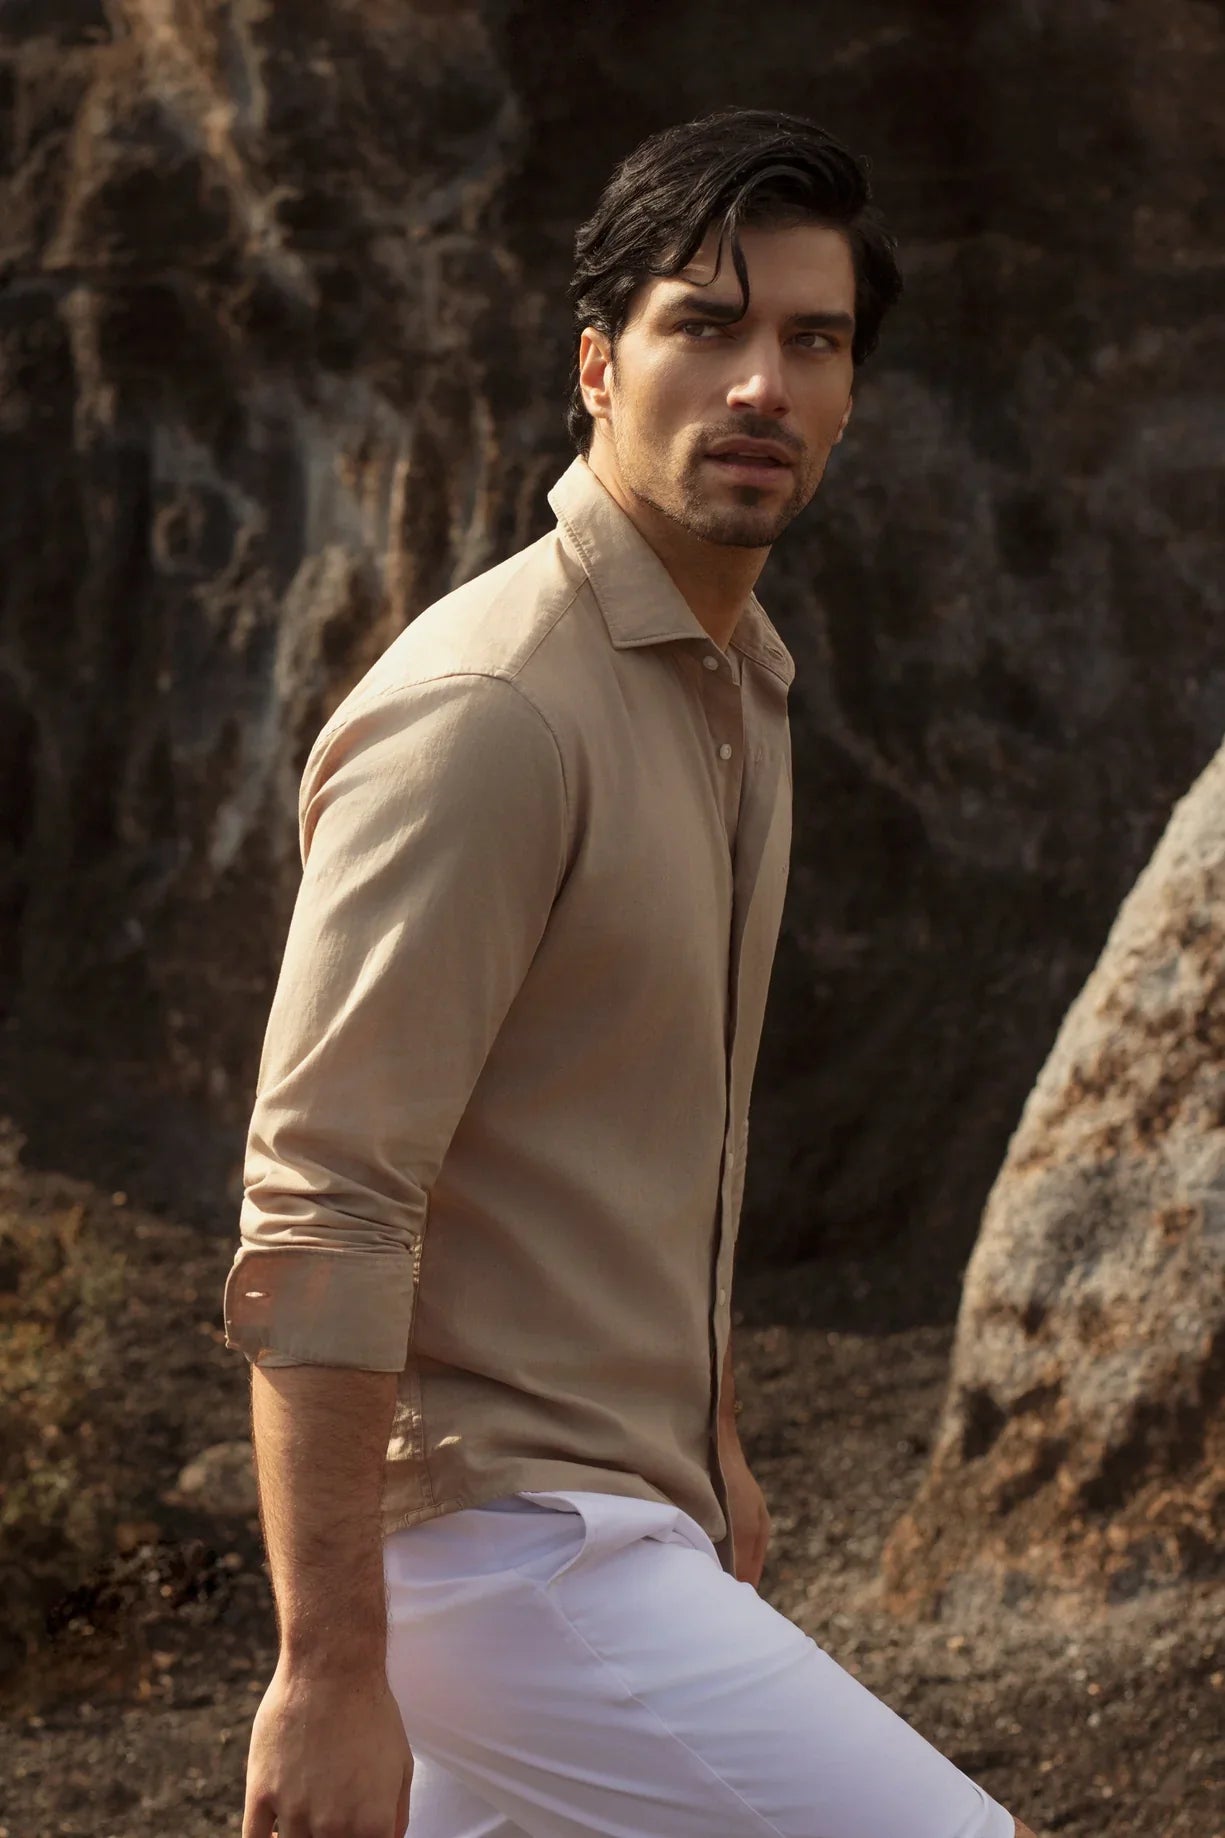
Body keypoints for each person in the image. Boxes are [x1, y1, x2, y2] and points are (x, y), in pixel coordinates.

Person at [223, 108, 1037, 1838]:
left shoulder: (734, 683)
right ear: (597, 365)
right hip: (493, 1546)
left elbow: (647, 1123)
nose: (760, 384)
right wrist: (326, 1667)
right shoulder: (492, 710)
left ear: (849, 392)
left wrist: (708, 1433)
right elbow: (321, 1197)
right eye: (705, 325)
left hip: (613, 1504)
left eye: (811, 341)